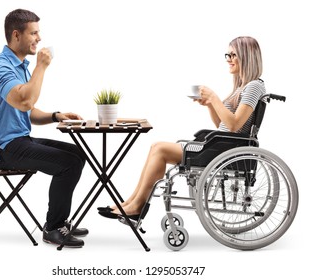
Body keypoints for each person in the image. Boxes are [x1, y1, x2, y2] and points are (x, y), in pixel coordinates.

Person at [98, 36, 266, 221]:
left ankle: (137, 206)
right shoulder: (242, 87)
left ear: (247, 56)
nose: (229, 59)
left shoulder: (253, 86)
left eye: (234, 55)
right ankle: (130, 202)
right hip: (221, 144)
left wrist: (215, 98)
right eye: (228, 54)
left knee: (160, 148)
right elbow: (223, 125)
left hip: (226, 149)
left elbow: (235, 126)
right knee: (156, 147)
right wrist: (210, 104)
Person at [0, 8, 88, 248]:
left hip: (19, 141)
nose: (39, 39)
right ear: (16, 35)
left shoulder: (18, 66)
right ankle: (53, 228)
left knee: (78, 154)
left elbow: (27, 111)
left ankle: (60, 220)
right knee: (68, 163)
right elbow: (25, 101)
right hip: (2, 150)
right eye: (34, 33)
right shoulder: (0, 69)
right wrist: (41, 67)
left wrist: (54, 115)